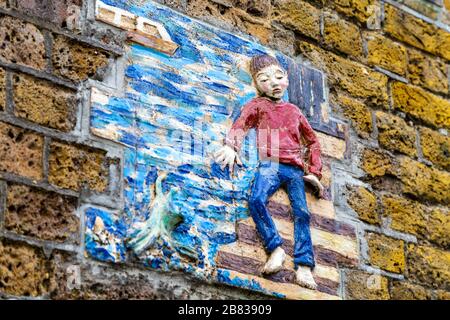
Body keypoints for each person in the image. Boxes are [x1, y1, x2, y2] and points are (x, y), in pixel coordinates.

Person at [214, 54, 324, 290]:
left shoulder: (295, 111)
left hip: (295, 169)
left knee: (302, 213)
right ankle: (275, 248)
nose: (273, 83)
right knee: (256, 200)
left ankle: (304, 265)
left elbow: (312, 141)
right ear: (256, 83)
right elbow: (241, 124)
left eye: (279, 77)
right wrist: (231, 146)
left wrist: (314, 171)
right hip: (270, 165)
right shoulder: (257, 105)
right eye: (265, 79)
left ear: (286, 79)